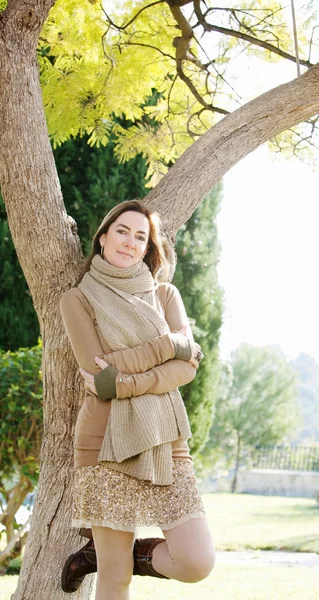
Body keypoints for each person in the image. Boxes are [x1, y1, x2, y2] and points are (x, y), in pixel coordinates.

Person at [59, 200, 215, 599]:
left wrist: (126, 378)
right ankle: (110, 556)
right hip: (105, 442)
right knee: (116, 577)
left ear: (148, 248)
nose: (130, 242)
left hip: (166, 438)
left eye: (141, 237)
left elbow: (188, 368)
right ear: (104, 237)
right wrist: (171, 346)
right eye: (123, 231)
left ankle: (120, 554)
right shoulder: (78, 301)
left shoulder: (165, 295)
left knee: (196, 562)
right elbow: (100, 378)